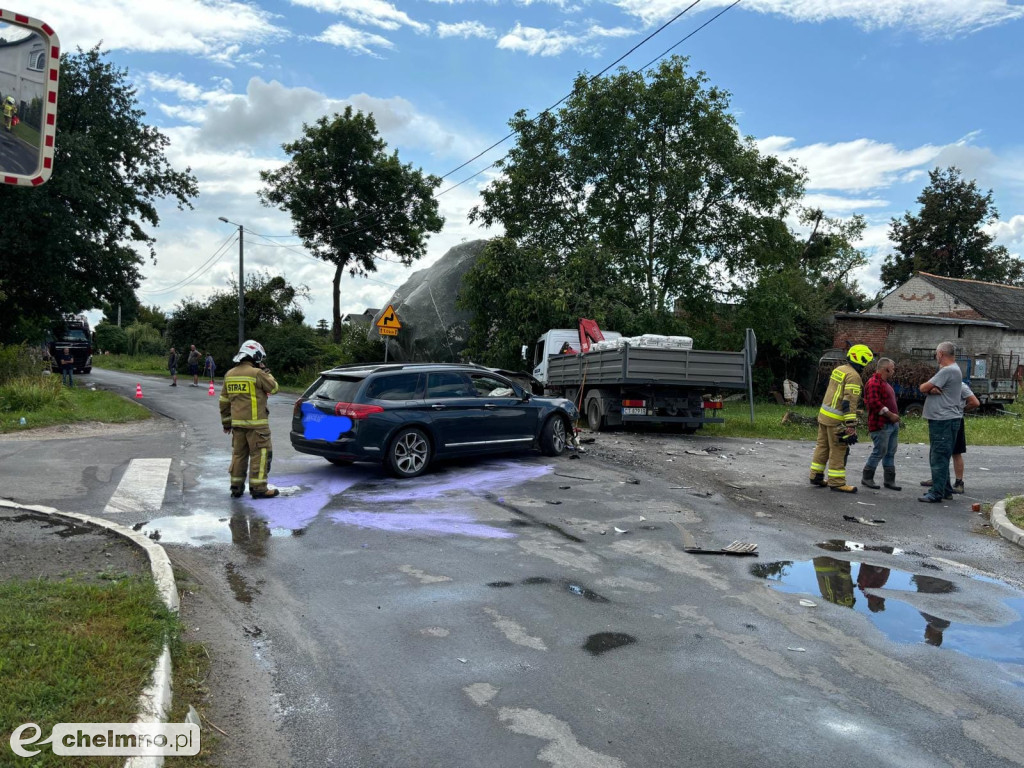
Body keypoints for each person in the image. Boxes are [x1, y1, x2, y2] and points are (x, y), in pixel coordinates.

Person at [220, 340, 280, 499]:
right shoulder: (257, 374)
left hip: (237, 425)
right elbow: (274, 388)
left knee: (238, 455)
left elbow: (224, 402)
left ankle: (236, 487)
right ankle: (259, 489)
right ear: (255, 356)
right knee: (260, 455)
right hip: (257, 426)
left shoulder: (230, 374)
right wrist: (266, 371)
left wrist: (226, 423)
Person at [809, 344, 873, 493]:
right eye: (867, 361)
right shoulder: (854, 376)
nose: (867, 365)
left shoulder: (839, 370)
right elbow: (848, 402)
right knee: (838, 450)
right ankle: (837, 482)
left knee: (822, 447)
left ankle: (816, 476)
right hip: (837, 420)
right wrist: (851, 425)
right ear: (861, 359)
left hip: (824, 416)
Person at [918, 341, 963, 503]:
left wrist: (929, 388)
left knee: (938, 457)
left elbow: (923, 388)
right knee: (941, 455)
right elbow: (931, 388)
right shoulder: (953, 370)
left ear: (941, 354)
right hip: (946, 419)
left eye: (937, 354)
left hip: (943, 420)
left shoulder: (947, 371)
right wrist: (932, 389)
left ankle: (936, 492)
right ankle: (945, 489)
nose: (936, 356)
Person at [921, 381, 980, 494]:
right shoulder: (939, 384)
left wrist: (960, 410)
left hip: (954, 419)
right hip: (941, 420)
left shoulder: (961, 386)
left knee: (956, 451)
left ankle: (959, 482)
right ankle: (938, 479)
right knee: (938, 451)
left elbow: (975, 402)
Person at [861, 357, 901, 491]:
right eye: (892, 368)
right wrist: (890, 415)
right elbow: (874, 403)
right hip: (881, 424)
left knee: (890, 452)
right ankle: (867, 477)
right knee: (880, 451)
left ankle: (889, 481)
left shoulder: (884, 383)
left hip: (891, 424)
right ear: (886, 369)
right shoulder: (873, 382)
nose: (894, 370)